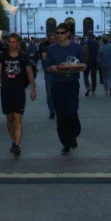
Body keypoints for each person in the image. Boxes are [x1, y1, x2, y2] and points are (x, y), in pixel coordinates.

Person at [44, 23, 86, 154]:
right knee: (61, 115)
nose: (59, 35)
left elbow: (84, 65)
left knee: (71, 112)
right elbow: (47, 67)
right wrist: (54, 68)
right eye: (57, 33)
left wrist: (72, 67)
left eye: (62, 33)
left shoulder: (77, 48)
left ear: (68, 33)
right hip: (57, 84)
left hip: (72, 83)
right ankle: (66, 143)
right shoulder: (52, 49)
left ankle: (74, 134)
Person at [0, 33, 36, 156]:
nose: (11, 44)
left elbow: (29, 72)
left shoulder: (23, 57)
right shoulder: (2, 56)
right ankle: (14, 141)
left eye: (14, 42)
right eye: (10, 42)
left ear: (18, 43)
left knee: (18, 117)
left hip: (19, 91)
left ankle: (17, 145)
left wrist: (33, 89)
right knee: (10, 119)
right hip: (6, 91)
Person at [39, 32, 56, 119]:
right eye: (51, 39)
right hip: (49, 73)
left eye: (54, 39)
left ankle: (57, 109)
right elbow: (43, 58)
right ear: (48, 39)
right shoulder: (45, 48)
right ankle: (52, 111)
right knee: (49, 94)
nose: (52, 40)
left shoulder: (59, 47)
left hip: (58, 73)